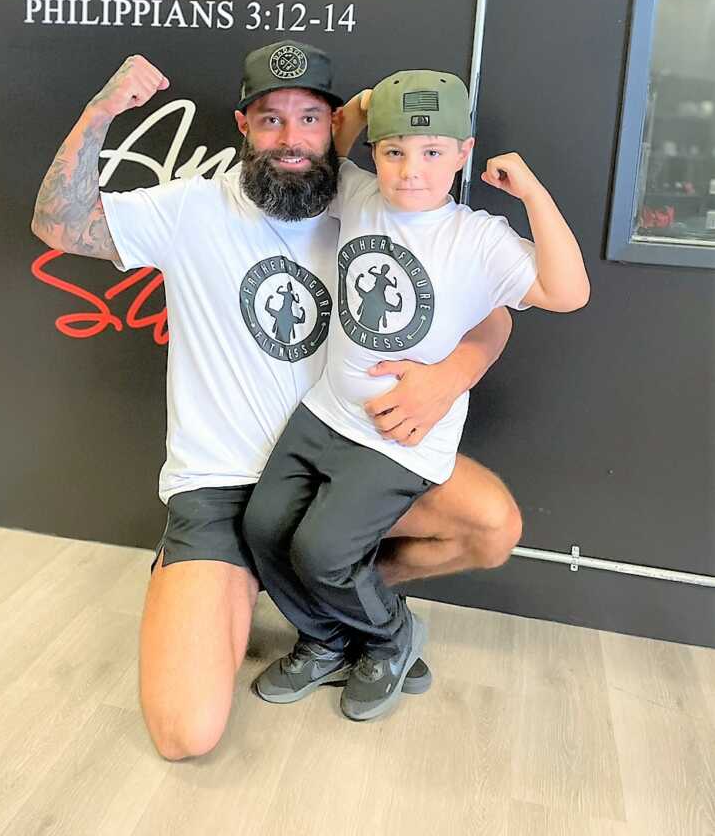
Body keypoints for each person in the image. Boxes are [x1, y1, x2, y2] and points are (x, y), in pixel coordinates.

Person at [31, 43, 516, 760]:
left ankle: (327, 598)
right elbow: (57, 223)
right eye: (271, 120)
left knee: (492, 525)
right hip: (221, 487)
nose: (291, 138)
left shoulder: (379, 202)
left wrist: (452, 374)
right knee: (184, 732)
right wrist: (101, 111)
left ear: (337, 127)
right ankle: (225, 578)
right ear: (243, 126)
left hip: (346, 466)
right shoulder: (193, 209)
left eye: (310, 118)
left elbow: (493, 312)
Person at [243, 70, 590, 722]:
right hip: (327, 412)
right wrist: (361, 111)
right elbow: (322, 153)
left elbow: (567, 292)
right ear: (374, 152)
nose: (410, 170)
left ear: (464, 152)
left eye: (433, 152)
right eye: (395, 149)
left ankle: (390, 637)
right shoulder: (363, 194)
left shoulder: (478, 238)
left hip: (401, 437)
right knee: (264, 529)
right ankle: (325, 640)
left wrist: (533, 192)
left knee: (322, 551)